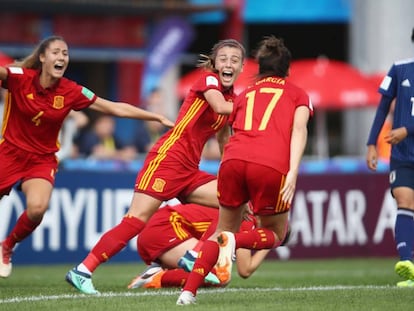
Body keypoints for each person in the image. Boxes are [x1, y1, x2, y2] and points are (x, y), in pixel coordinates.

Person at [65, 38, 246, 294]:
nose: (229, 63)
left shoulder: (232, 98)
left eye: (235, 60)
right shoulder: (209, 81)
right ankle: (82, 270)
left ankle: (193, 255)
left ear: (241, 68)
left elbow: (224, 139)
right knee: (136, 220)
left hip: (189, 171)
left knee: (235, 202)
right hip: (167, 159)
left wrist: (232, 170)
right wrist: (253, 103)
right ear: (215, 63)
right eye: (224, 59)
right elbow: (218, 106)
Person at [0, 35, 174, 279]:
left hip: (42, 159)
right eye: (56, 52)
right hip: (8, 153)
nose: (62, 57)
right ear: (42, 57)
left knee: (38, 209)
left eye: (65, 54)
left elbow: (114, 107)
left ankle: (7, 247)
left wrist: (155, 117)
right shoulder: (20, 78)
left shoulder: (71, 91)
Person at [176, 35, 313, 305]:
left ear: (258, 69)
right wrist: (293, 172)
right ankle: (234, 241)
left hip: (233, 162)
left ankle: (187, 292)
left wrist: (232, 167)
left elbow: (225, 133)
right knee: (277, 233)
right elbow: (299, 130)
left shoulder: (244, 95)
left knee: (219, 231)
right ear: (287, 69)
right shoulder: (297, 93)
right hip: (270, 164)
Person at [366, 27, 414, 288]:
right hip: (403, 154)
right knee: (404, 200)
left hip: (404, 139)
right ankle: (407, 262)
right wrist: (371, 143)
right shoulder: (400, 69)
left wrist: (407, 129)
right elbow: (383, 105)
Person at [127, 202, 271, 289]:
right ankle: (157, 277)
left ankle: (160, 269)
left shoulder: (243, 205)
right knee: (220, 276)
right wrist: (271, 241)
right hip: (165, 227)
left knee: (209, 264)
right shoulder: (247, 216)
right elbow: (245, 270)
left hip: (158, 227)